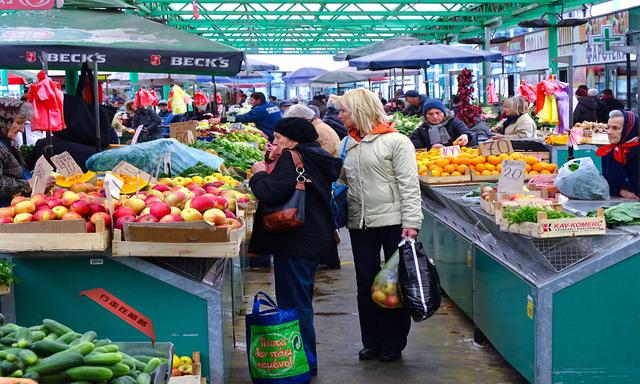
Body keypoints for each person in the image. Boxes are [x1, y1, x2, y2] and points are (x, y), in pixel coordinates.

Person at [248, 117, 343, 377]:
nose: (274, 141)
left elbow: (269, 191)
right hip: (311, 240)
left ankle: (303, 362)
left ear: (293, 140)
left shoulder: (293, 157)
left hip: (295, 241)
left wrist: (258, 173)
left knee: (295, 305)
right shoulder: (317, 156)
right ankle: (304, 360)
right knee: (300, 301)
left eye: (278, 138)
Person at [334, 89, 422, 363]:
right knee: (365, 285)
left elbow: (409, 185)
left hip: (394, 222)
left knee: (394, 286)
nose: (339, 116)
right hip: (359, 223)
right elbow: (339, 181)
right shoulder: (346, 144)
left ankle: (393, 342)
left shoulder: (396, 142)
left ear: (358, 110)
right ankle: (371, 341)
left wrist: (411, 222)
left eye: (343, 111)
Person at [597, 110, 640, 199]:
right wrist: (621, 192)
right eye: (608, 127)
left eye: (615, 128)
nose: (609, 132)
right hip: (621, 206)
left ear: (629, 129)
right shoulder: (607, 154)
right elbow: (607, 185)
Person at [0, 98, 35, 204]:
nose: (22, 129)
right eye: (19, 123)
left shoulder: (9, 141)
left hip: (17, 205)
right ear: (3, 120)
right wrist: (27, 184)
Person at [210, 92, 281, 141]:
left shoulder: (259, 110)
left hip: (272, 136)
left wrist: (221, 120)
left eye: (252, 100)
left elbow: (242, 118)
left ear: (258, 100)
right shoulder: (272, 105)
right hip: (278, 133)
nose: (250, 102)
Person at [410, 98, 474, 150]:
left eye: (438, 113)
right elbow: (416, 146)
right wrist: (430, 148)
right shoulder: (421, 130)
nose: (435, 117)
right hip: (432, 161)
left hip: (457, 160)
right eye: (430, 114)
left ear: (444, 113)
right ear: (425, 116)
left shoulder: (453, 123)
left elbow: (465, 131)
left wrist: (465, 136)